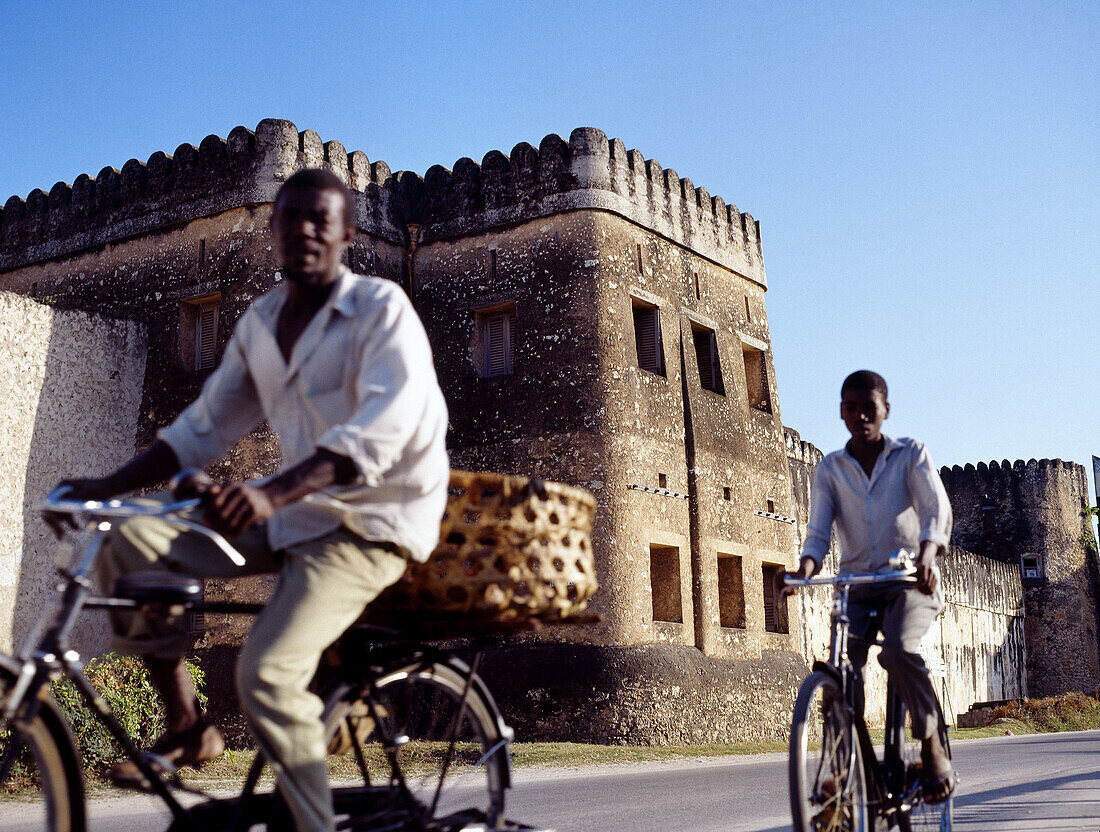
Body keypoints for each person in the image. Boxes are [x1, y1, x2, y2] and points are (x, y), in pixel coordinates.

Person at [51, 168, 449, 832]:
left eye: (319, 220)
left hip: (373, 521)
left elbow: (384, 427)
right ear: (272, 230)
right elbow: (199, 432)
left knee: (265, 675)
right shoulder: (261, 324)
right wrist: (100, 487)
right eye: (289, 219)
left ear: (347, 233)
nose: (302, 231)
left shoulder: (382, 311)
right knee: (129, 539)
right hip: (293, 514)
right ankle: (187, 727)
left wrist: (271, 493)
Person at [786, 369, 955, 802]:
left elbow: (935, 509)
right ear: (841, 412)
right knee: (841, 673)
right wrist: (804, 570)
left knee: (899, 650)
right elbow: (819, 532)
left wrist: (927, 555)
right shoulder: (831, 469)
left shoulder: (910, 455)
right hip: (857, 586)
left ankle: (933, 741)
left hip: (907, 581)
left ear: (885, 411)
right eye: (851, 407)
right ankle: (841, 773)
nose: (860, 416)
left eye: (869, 408)